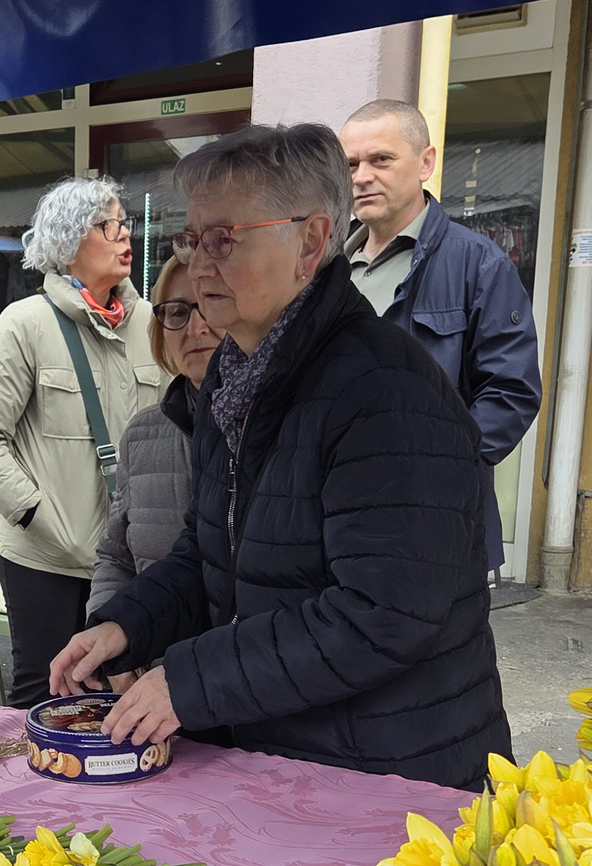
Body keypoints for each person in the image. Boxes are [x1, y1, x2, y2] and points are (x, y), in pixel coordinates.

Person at [50, 123, 513, 792]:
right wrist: (127, 624)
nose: (199, 265)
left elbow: (379, 614)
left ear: (311, 242)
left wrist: (191, 680)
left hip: (389, 774)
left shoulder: (384, 392)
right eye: (190, 239)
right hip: (284, 748)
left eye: (223, 240)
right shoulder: (235, 376)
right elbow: (208, 553)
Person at [0, 175, 163, 707]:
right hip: (44, 559)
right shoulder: (24, 324)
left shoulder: (153, 323)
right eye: (107, 225)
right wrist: (35, 514)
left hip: (132, 558)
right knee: (46, 693)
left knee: (126, 693)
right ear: (69, 243)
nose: (125, 235)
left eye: (125, 223)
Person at [341, 98, 543, 579]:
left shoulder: (478, 264)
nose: (362, 176)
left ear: (425, 163)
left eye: (381, 159)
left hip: (434, 524)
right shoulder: (325, 266)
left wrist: (434, 469)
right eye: (350, 164)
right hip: (337, 512)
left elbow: (512, 391)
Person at [85, 253, 218, 695]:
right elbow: (116, 556)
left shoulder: (280, 427)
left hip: (237, 691)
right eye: (177, 312)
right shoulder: (143, 433)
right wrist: (114, 648)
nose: (196, 328)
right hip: (145, 693)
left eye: (210, 304)